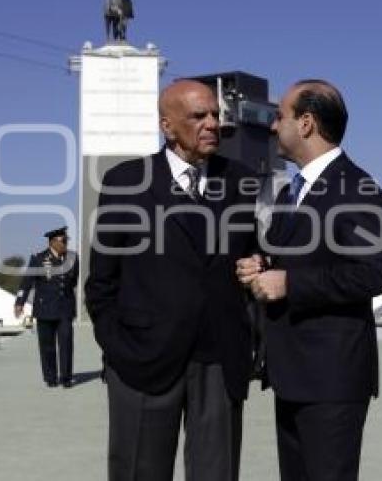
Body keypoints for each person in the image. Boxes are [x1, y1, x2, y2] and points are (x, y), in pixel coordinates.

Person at [85, 80, 258, 481]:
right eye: (199, 116)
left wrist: (259, 265)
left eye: (215, 114)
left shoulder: (241, 181)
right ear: (168, 126)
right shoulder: (125, 182)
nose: (213, 123)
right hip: (142, 362)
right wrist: (118, 346)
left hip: (219, 360)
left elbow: (252, 254)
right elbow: (101, 282)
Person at [236, 80, 382, 481]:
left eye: (279, 117)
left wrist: (289, 283)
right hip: (292, 376)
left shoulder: (358, 188)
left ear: (305, 123)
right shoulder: (293, 190)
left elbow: (371, 273)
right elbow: (303, 255)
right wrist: (262, 262)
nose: (273, 127)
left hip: (331, 381)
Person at [15, 227, 79, 388]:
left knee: (66, 343)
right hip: (45, 309)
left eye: (66, 240)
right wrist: (19, 302)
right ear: (52, 242)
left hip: (65, 308)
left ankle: (66, 377)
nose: (65, 243)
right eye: (62, 240)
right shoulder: (38, 258)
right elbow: (26, 282)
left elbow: (74, 281)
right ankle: (50, 377)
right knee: (47, 346)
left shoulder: (72, 257)